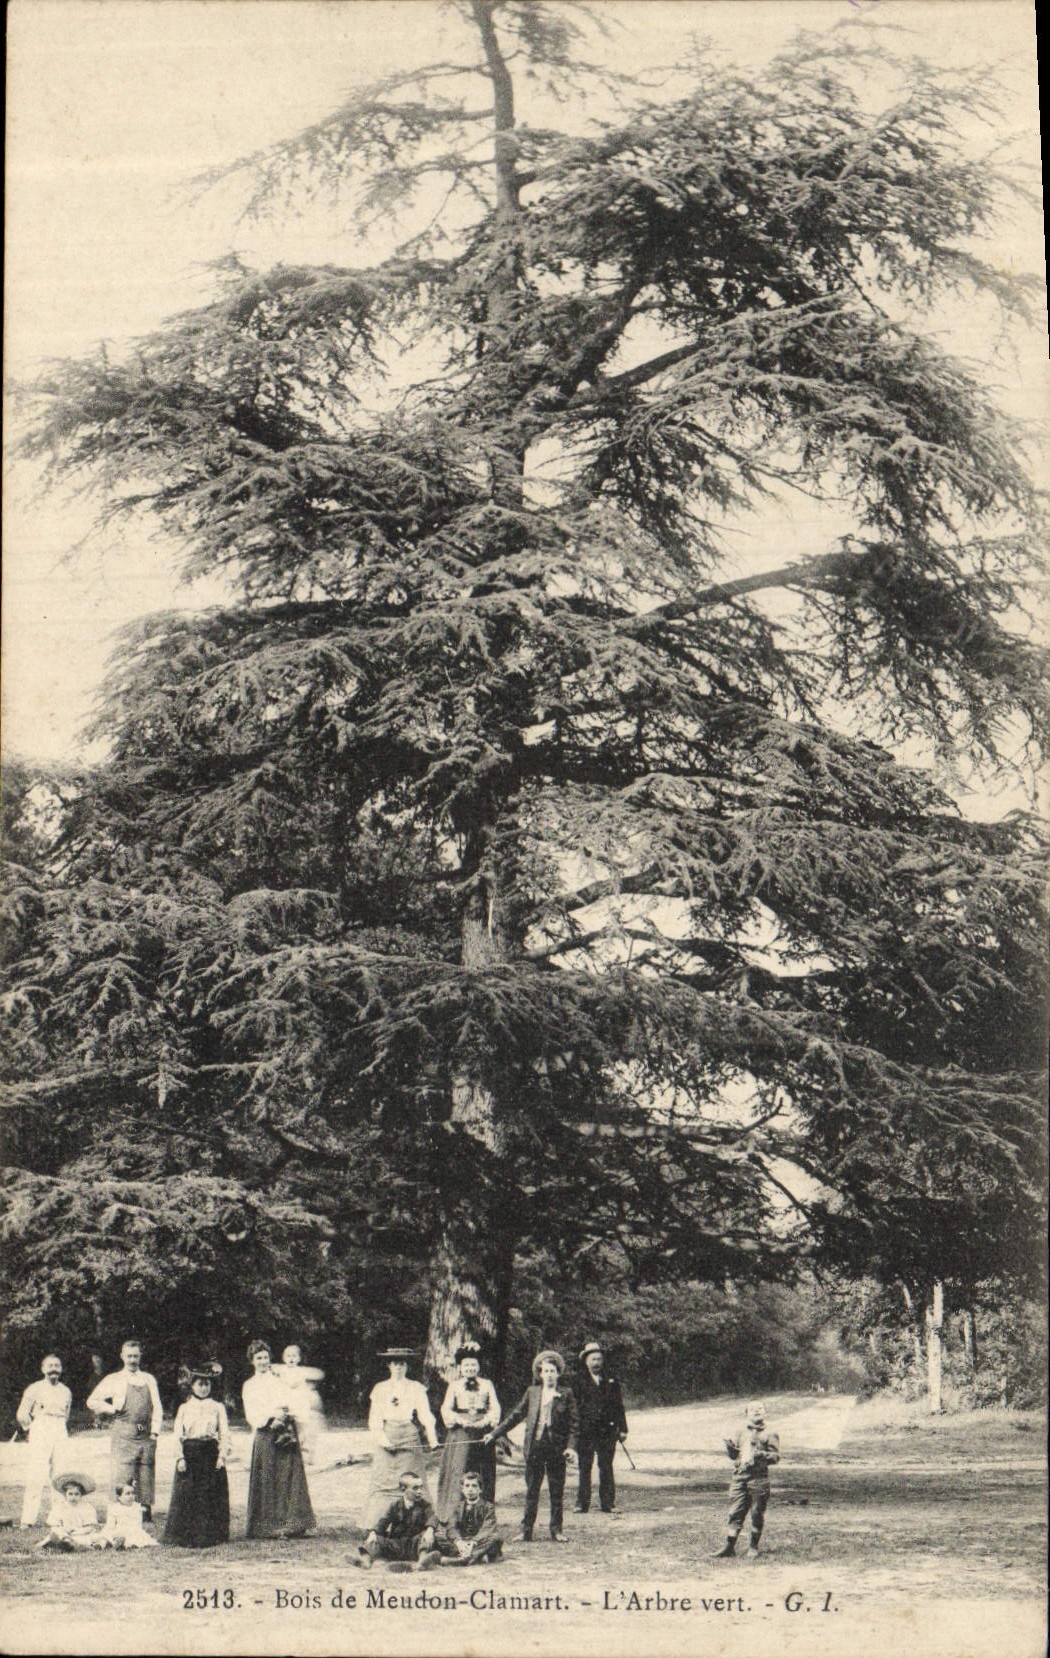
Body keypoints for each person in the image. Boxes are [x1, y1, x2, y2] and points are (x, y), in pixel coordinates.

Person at [485, 1349, 578, 1543]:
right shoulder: (532, 1392)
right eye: (546, 1371)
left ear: (558, 1373)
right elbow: (516, 1415)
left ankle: (556, 1530)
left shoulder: (566, 1393)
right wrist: (495, 1433)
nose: (549, 1375)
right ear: (540, 1373)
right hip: (535, 1447)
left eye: (553, 1371)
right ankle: (526, 1531)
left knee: (556, 1491)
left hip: (556, 1449)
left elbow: (574, 1424)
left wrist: (570, 1447)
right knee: (532, 1490)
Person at [242, 1340, 316, 1540]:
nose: (263, 1361)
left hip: (284, 1431)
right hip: (265, 1433)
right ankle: (267, 1528)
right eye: (258, 1358)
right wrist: (270, 1419)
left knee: (288, 1478)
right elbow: (251, 1412)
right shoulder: (249, 1385)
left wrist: (285, 1415)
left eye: (265, 1357)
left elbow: (291, 1400)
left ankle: (292, 1526)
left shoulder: (279, 1381)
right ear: (252, 1361)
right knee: (268, 1479)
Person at [86, 1337, 163, 1520]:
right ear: (122, 1356)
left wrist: (155, 1431)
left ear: (140, 1356)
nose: (132, 1360)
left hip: (145, 1432)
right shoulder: (114, 1379)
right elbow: (92, 1401)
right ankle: (120, 1512)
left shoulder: (149, 1379)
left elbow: (157, 1406)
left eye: (136, 1356)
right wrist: (112, 1409)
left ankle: (145, 1512)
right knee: (122, 1471)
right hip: (123, 1432)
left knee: (145, 1471)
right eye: (129, 1356)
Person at [363, 1347, 438, 1528]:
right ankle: (379, 1524)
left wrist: (432, 1438)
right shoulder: (380, 1388)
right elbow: (374, 1418)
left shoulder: (415, 1387)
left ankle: (416, 1524)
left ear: (407, 1366)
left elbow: (425, 1415)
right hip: (387, 1433)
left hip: (409, 1435)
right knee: (383, 1480)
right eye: (395, 1363)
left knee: (413, 1479)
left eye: (402, 1363)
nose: (398, 1367)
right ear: (389, 1365)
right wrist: (383, 1440)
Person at [163, 1361, 231, 1548]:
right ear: (192, 1386)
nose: (203, 1388)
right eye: (200, 1384)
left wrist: (222, 1456)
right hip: (190, 1453)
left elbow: (224, 1433)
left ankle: (211, 1535)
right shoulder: (184, 1408)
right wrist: (179, 1457)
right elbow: (177, 1434)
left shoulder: (217, 1407)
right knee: (189, 1493)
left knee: (209, 1494)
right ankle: (186, 1536)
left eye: (207, 1384)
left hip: (210, 1452)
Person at [435, 1341, 500, 1521]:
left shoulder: (487, 1384)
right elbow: (446, 1408)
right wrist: (460, 1420)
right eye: (466, 1365)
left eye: (473, 1365)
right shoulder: (454, 1386)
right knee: (459, 1468)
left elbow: (495, 1407)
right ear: (460, 1368)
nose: (470, 1368)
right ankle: (453, 1514)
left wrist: (485, 1421)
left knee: (483, 1470)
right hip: (460, 1431)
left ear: (478, 1367)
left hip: (482, 1432)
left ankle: (482, 1514)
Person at [711, 1400, 781, 1559]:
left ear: (765, 1412)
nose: (757, 1411)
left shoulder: (771, 1433)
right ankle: (729, 1547)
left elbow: (776, 1457)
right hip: (739, 1477)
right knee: (735, 1512)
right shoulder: (740, 1431)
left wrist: (761, 1455)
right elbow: (734, 1456)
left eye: (760, 1408)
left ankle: (753, 1547)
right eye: (752, 1409)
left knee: (757, 1513)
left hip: (759, 1478)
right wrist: (730, 1449)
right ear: (746, 1414)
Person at [16, 1354, 72, 1528]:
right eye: (50, 1366)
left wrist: (59, 1427)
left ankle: (57, 1518)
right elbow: (22, 1413)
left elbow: (67, 1415)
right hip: (41, 1427)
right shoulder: (34, 1388)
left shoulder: (66, 1391)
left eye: (57, 1365)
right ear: (42, 1369)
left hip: (59, 1428)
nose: (54, 1369)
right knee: (36, 1473)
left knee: (60, 1474)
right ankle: (28, 1519)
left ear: (61, 1369)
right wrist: (33, 1428)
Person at [574, 1340, 629, 1516]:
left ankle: (608, 1503)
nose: (596, 1363)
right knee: (585, 1467)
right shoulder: (578, 1381)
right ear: (586, 1361)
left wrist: (623, 1429)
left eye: (599, 1359)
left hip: (607, 1431)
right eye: (593, 1359)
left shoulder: (611, 1380)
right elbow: (574, 1408)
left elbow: (619, 1406)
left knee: (606, 1466)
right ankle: (582, 1504)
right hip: (586, 1431)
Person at [354, 1470, 439, 1572]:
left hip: (415, 1546)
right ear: (403, 1489)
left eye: (421, 1487)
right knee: (375, 1538)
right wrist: (373, 1533)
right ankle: (365, 1562)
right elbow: (383, 1522)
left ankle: (421, 1563)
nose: (420, 1491)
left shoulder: (425, 1505)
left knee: (425, 1536)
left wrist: (430, 1530)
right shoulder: (395, 1505)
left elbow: (432, 1517)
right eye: (415, 1488)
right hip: (397, 1545)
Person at [434, 1470, 505, 1565]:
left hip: (478, 1542)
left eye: (474, 1486)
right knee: (438, 1536)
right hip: (462, 1541)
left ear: (480, 1489)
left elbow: (487, 1527)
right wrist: (459, 1542)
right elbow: (451, 1527)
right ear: (462, 1489)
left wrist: (474, 1541)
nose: (470, 1489)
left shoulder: (488, 1507)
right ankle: (475, 1556)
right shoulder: (458, 1507)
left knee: (496, 1537)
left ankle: (461, 1559)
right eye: (467, 1486)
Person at [272, 1344, 325, 1465]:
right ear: (284, 1358)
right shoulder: (282, 1370)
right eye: (288, 1356)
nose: (291, 1359)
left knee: (303, 1430)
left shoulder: (300, 1371)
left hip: (299, 1404)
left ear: (299, 1358)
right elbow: (273, 1369)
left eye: (294, 1356)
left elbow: (317, 1374)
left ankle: (306, 1455)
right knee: (285, 1430)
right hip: (287, 1403)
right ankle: (286, 1455)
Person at [38, 1472, 101, 1551]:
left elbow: (90, 1527)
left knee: (90, 1538)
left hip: (81, 1533)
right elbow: (54, 1526)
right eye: (70, 1494)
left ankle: (75, 1546)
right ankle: (62, 1544)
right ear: (65, 1495)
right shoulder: (59, 1507)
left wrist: (79, 1531)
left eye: (76, 1494)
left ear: (81, 1495)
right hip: (64, 1532)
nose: (73, 1497)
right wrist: (63, 1530)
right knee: (57, 1534)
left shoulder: (87, 1508)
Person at [99, 1482, 160, 1549]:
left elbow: (138, 1523)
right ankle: (113, 1543)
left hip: (134, 1530)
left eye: (133, 1493)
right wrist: (109, 1532)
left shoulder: (137, 1507)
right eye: (127, 1494)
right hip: (120, 1530)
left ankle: (128, 1545)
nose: (131, 1496)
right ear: (118, 1497)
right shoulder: (114, 1508)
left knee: (136, 1538)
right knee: (109, 1536)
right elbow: (110, 1525)